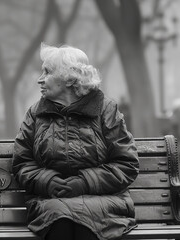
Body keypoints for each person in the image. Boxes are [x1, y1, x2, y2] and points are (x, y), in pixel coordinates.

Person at [12, 43, 139, 240]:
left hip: (105, 201)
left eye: (47, 72)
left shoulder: (105, 110)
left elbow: (126, 163)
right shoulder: (35, 113)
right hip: (50, 200)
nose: (40, 80)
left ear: (69, 78)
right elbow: (23, 163)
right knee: (59, 216)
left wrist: (84, 182)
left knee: (84, 218)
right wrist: (48, 182)